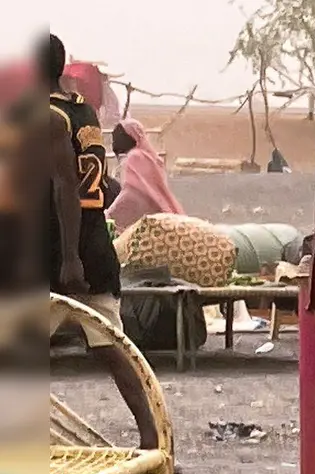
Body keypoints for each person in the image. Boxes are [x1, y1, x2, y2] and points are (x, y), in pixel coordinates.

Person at [40, 33, 159, 450]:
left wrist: (69, 258)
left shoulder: (49, 117)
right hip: (93, 242)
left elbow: (64, 186)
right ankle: (152, 436)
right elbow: (99, 184)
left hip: (59, 249)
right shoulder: (82, 110)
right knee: (112, 347)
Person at [105, 118, 183, 232]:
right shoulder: (150, 157)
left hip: (151, 222)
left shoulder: (134, 157)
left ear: (129, 137)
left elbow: (132, 195)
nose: (114, 142)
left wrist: (110, 214)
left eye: (117, 137)